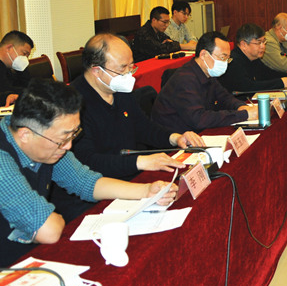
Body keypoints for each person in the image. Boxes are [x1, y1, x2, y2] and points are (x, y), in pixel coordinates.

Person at [0, 79, 177, 267]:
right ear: (25, 135)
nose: (68, 146)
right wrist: (54, 218)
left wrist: (146, 191)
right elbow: (48, 231)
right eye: (62, 139)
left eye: (73, 135)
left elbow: (86, 182)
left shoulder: (45, 143)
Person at [70, 34, 203, 179]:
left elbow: (143, 127)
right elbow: (88, 161)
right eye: (122, 69)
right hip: (101, 183)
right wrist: (140, 162)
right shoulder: (72, 104)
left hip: (132, 172)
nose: (129, 75)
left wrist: (175, 138)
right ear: (96, 71)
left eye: (131, 67)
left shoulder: (119, 90)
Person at [151, 31, 258, 131]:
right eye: (222, 57)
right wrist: (244, 115)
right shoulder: (185, 79)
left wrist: (241, 106)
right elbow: (199, 119)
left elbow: (224, 97)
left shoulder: (207, 72)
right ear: (203, 55)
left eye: (227, 59)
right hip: (176, 138)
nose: (225, 63)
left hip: (194, 132)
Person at [218, 23, 287, 94]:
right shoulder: (234, 62)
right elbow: (248, 87)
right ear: (244, 44)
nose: (263, 46)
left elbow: (268, 74)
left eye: (264, 42)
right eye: (258, 43)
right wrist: (280, 83)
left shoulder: (253, 58)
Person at [0, 31, 34, 106]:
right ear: (9, 48)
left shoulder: (10, 69)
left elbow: (28, 85)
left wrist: (22, 69)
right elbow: (5, 90)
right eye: (24, 53)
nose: (25, 59)